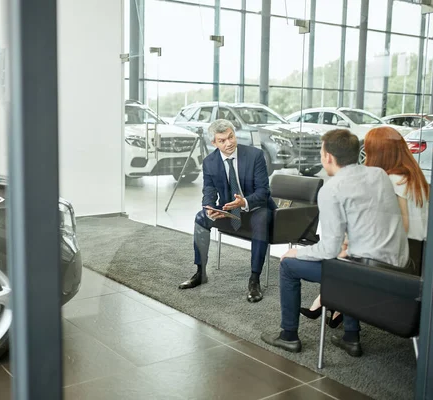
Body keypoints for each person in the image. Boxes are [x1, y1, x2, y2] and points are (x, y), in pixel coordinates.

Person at [261, 129, 409, 357]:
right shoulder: (379, 175)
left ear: (328, 157)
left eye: (322, 152)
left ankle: (288, 336)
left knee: (289, 266)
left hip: (365, 273)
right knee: (345, 259)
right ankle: (351, 337)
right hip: (396, 268)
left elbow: (328, 249)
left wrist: (297, 252)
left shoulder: (331, 189)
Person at [300, 126, 430, 323]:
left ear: (379, 152)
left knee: (348, 259)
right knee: (349, 252)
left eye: (367, 151)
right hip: (421, 254)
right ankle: (333, 308)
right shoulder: (415, 176)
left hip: (402, 256)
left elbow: (397, 227)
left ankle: (333, 309)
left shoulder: (392, 180)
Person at [178, 119, 276, 303]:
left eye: (230, 137)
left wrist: (243, 202)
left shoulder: (255, 155)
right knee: (200, 218)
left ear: (234, 134)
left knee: (262, 218)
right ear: (214, 143)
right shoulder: (209, 162)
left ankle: (254, 280)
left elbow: (264, 192)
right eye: (222, 140)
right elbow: (208, 190)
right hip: (229, 210)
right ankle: (200, 272)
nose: (229, 143)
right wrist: (208, 208)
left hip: (255, 208)